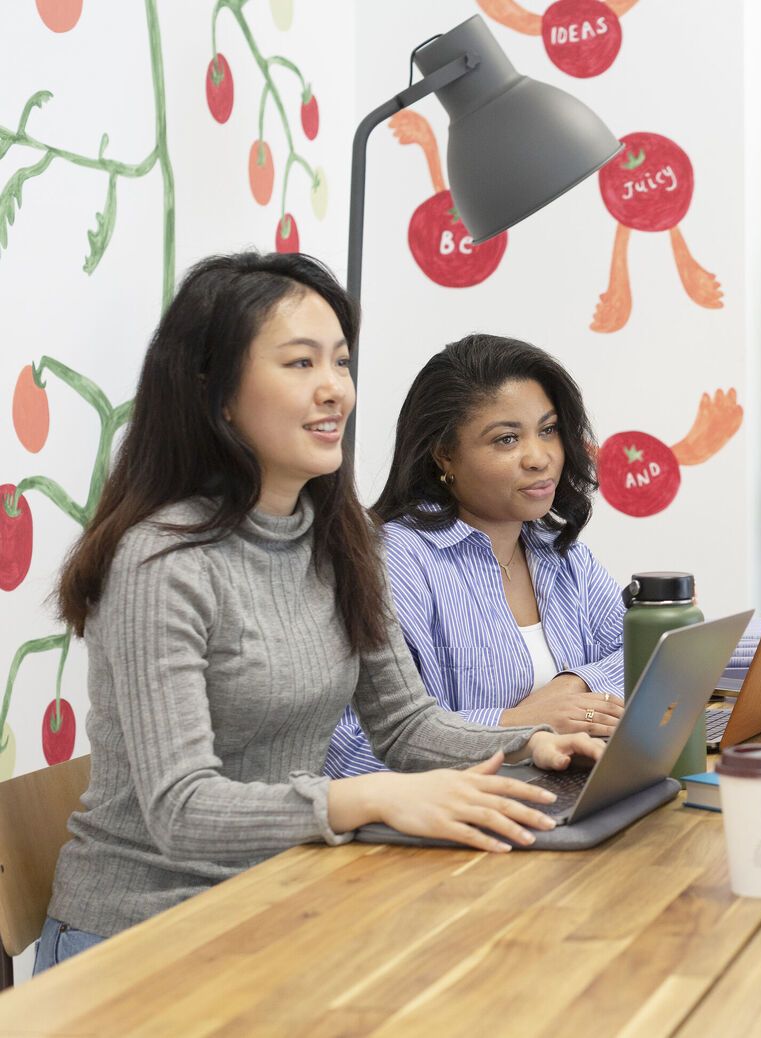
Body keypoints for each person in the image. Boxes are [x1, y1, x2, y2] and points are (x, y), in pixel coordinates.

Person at [37, 254, 601, 973]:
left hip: (279, 902)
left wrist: (533, 743)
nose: (335, 388)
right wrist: (369, 798)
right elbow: (180, 810)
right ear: (216, 394)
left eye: (340, 362)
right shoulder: (162, 562)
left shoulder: (341, 538)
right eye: (301, 364)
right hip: (138, 938)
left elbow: (404, 724)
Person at [325, 336, 626, 778]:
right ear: (444, 454)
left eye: (548, 430)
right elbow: (352, 749)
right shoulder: (395, 561)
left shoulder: (557, 549)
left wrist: (575, 684)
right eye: (507, 439)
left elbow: (639, 655)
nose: (540, 458)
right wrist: (519, 727)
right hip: (449, 825)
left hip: (555, 791)